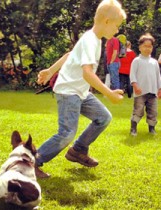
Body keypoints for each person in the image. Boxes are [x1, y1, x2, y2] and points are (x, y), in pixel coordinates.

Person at [35, 0, 126, 178]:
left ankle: (77, 151)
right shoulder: (90, 40)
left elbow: (71, 55)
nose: (117, 31)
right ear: (107, 21)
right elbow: (87, 74)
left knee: (103, 117)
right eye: (116, 26)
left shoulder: (93, 39)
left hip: (80, 92)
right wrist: (109, 94)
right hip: (68, 91)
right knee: (66, 133)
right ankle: (31, 162)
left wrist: (50, 70)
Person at [129, 33, 161, 136]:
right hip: (140, 91)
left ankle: (152, 128)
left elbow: (158, 76)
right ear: (140, 47)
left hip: (152, 92)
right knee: (138, 110)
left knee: (153, 111)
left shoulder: (154, 62)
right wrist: (135, 86)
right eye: (145, 46)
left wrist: (160, 88)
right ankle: (133, 128)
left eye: (150, 46)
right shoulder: (136, 61)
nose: (147, 49)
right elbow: (132, 75)